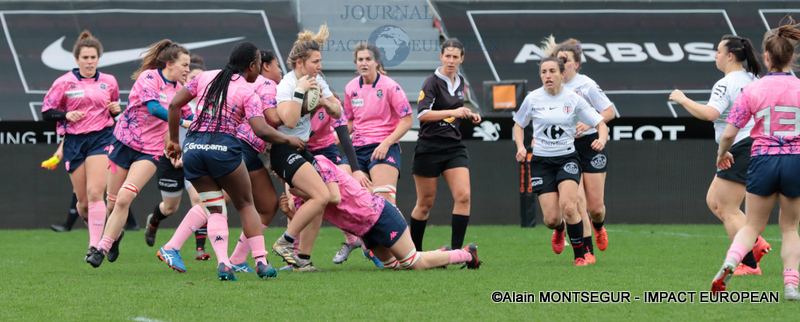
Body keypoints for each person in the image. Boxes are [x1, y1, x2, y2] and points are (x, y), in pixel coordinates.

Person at [165, 41, 304, 281]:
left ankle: (223, 264)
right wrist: (288, 140)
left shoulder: (206, 76)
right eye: (258, 65)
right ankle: (260, 262)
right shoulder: (247, 91)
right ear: (251, 66)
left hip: (193, 149)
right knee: (246, 205)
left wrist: (174, 141)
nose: (259, 70)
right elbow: (261, 129)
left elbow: (174, 104)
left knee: (216, 207)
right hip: (223, 149)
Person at [711, 21, 800, 300]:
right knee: (789, 228)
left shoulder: (753, 89)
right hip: (794, 161)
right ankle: (790, 285)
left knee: (751, 226)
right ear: (792, 57)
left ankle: (730, 262)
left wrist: (722, 153)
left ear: (767, 57)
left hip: (761, 159)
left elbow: (729, 132)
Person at [85, 39, 193, 267]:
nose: (188, 70)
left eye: (189, 65)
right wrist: (182, 122)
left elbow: (192, 117)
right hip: (123, 143)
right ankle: (116, 237)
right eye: (184, 64)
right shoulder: (149, 78)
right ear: (169, 63)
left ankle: (100, 250)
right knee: (113, 204)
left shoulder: (180, 91)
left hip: (150, 152)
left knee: (124, 198)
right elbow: (154, 108)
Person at [670, 35, 771, 275]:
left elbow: (710, 114)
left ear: (730, 56)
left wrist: (683, 99)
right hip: (752, 144)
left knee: (728, 209)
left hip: (740, 146)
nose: (715, 55)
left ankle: (749, 263)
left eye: (718, 51)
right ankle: (756, 243)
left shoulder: (727, 82)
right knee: (714, 201)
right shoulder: (753, 78)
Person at [280, 155, 481, 271]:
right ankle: (442, 254)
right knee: (394, 266)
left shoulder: (320, 164)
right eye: (277, 172)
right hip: (364, 229)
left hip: (380, 215)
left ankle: (465, 254)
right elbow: (308, 219)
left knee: (413, 264)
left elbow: (333, 198)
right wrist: (291, 214)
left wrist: (305, 195)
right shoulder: (298, 190)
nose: (279, 175)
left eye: (280, 169)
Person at [512, 56, 608, 266]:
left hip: (567, 158)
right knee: (551, 219)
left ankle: (580, 255)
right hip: (541, 162)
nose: (548, 75)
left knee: (569, 206)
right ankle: (559, 229)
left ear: (562, 74)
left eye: (552, 71)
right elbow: (518, 124)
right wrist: (520, 146)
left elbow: (601, 124)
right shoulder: (532, 99)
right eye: (544, 72)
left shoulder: (573, 99)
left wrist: (601, 140)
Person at [41, 30, 121, 259]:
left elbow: (114, 108)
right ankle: (113, 235)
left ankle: (95, 247)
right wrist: (66, 115)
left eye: (93, 57)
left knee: (96, 192)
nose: (89, 61)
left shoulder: (109, 81)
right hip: (74, 141)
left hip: (101, 138)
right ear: (76, 59)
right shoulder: (64, 82)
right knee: (83, 205)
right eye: (85, 57)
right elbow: (47, 113)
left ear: (99, 58)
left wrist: (116, 109)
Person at [270, 25, 340, 269]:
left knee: (325, 199)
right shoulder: (286, 85)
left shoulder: (318, 80)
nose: (320, 66)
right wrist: (300, 92)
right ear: (300, 62)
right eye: (316, 61)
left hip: (301, 149)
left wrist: (322, 101)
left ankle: (303, 260)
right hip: (283, 151)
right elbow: (289, 120)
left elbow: (338, 110)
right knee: (321, 196)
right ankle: (285, 242)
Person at [409, 38, 481, 252]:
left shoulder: (461, 82)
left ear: (462, 59)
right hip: (429, 147)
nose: (450, 60)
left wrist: (469, 114)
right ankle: (415, 254)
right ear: (441, 57)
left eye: (455, 57)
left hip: (453, 146)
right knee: (425, 203)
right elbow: (422, 114)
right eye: (447, 56)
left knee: (464, 196)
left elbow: (457, 110)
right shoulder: (431, 82)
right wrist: (453, 112)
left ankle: (458, 252)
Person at [546, 38, 614, 263]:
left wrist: (589, 123)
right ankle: (586, 252)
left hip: (591, 144)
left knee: (596, 208)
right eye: (558, 60)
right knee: (577, 201)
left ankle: (599, 226)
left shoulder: (586, 85)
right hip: (566, 147)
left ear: (576, 64)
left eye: (565, 60)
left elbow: (609, 111)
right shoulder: (551, 87)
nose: (560, 65)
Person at [145, 60, 210, 261]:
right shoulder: (175, 100)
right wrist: (172, 152)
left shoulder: (208, 104)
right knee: (170, 208)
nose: (196, 83)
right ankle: (154, 221)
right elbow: (164, 129)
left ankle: (200, 249)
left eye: (200, 80)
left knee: (201, 201)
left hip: (195, 159)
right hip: (171, 157)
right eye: (192, 78)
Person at [343, 44, 413, 205]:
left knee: (385, 202)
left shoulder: (390, 86)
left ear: (377, 62)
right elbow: (350, 121)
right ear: (356, 63)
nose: (364, 63)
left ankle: (399, 229)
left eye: (368, 59)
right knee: (340, 189)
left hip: (384, 147)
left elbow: (408, 119)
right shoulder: (350, 88)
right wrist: (333, 137)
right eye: (360, 59)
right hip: (357, 149)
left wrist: (386, 143)